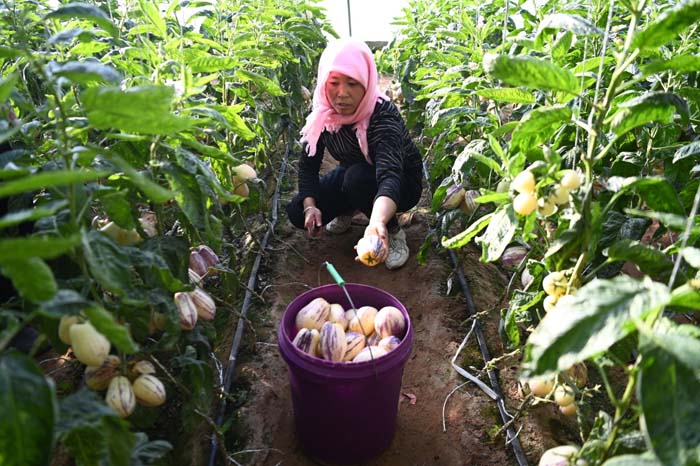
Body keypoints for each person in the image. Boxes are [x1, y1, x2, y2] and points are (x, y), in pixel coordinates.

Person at [286, 38, 423, 270]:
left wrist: (377, 223)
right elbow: (308, 165)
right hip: (354, 173)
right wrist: (311, 207)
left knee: (355, 179)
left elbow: (390, 175)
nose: (342, 93)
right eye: (334, 83)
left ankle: (392, 231)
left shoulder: (382, 115)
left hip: (401, 182)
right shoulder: (322, 113)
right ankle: (350, 207)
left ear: (366, 83)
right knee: (297, 211)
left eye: (352, 83)